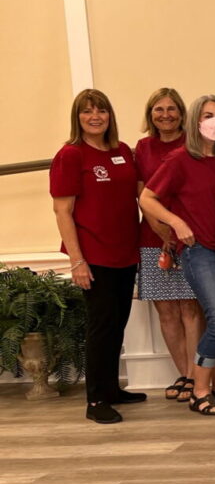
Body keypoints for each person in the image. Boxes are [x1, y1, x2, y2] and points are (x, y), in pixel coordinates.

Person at [139, 95, 215, 416]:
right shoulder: (180, 159)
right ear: (195, 121)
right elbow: (147, 198)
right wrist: (177, 222)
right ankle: (200, 391)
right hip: (199, 251)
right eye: (208, 116)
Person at [50, 89, 144, 424]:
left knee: (117, 323)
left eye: (101, 110)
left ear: (109, 116)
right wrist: (77, 261)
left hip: (125, 252)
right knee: (101, 327)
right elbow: (62, 211)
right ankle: (96, 400)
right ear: (77, 118)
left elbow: (139, 195)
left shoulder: (123, 151)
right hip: (94, 255)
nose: (95, 117)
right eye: (87, 111)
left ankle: (112, 389)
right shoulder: (70, 155)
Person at [134, 87, 201, 403]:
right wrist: (161, 232)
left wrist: (176, 233)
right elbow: (142, 195)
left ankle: (196, 375)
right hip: (153, 237)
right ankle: (184, 374)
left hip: (189, 236)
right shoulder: (143, 147)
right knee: (167, 311)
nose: (165, 115)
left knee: (190, 308)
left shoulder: (193, 144)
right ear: (150, 115)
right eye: (158, 109)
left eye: (171, 108)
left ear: (181, 113)